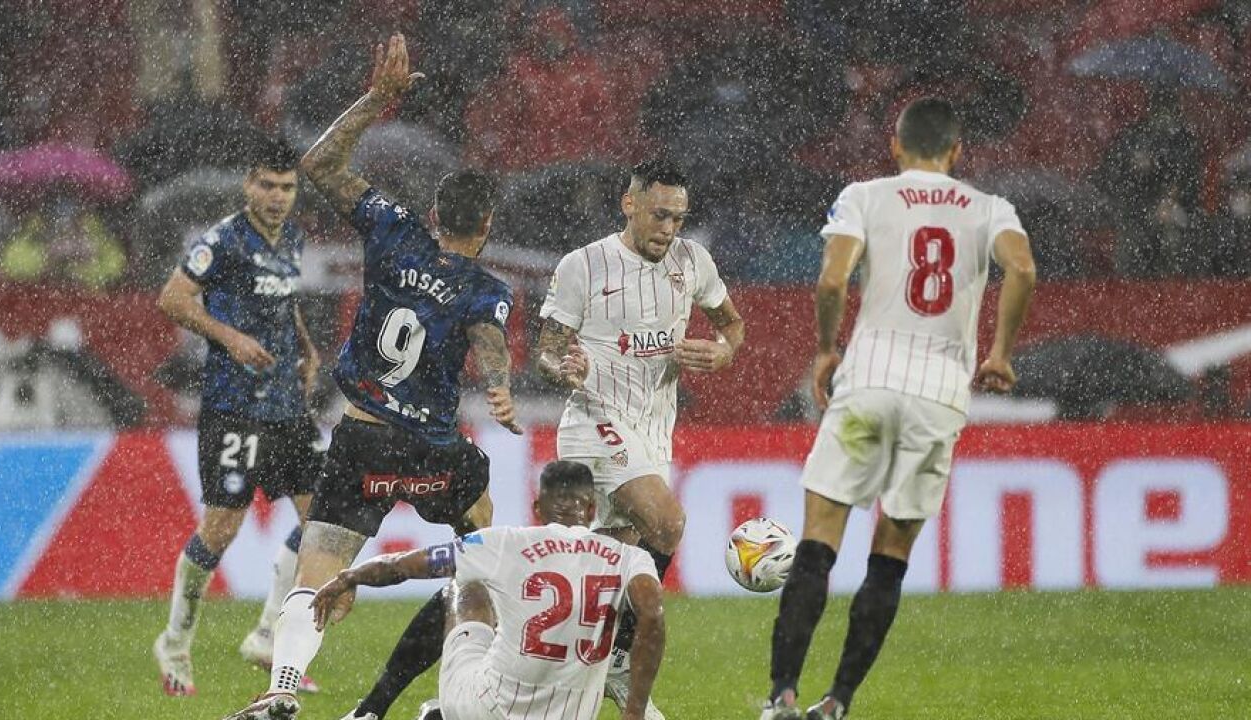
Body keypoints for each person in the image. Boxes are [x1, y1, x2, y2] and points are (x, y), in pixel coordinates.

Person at [344, 158, 743, 720]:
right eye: (659, 215)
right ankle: (617, 655)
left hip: (654, 433)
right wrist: (566, 367)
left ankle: (386, 704)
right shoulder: (585, 265)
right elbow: (548, 350)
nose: (668, 229)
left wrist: (724, 352)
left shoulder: (693, 262)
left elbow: (732, 325)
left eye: (678, 219)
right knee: (667, 523)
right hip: (595, 423)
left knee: (531, 578)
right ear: (629, 204)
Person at [222, 33, 521, 720]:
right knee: (483, 554)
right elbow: (489, 339)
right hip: (433, 449)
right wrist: (500, 385)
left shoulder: (394, 229)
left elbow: (319, 163)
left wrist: (377, 98)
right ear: (486, 224)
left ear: (436, 215)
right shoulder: (485, 287)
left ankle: (283, 687)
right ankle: (480, 686)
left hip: (362, 440)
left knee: (316, 575)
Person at [760, 97, 1037, 720]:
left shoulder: (865, 196)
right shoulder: (990, 207)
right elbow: (1021, 268)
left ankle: (782, 697)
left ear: (895, 145)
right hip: (939, 393)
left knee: (819, 542)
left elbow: (832, 280)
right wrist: (999, 352)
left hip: (868, 380)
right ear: (956, 151)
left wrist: (826, 350)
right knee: (889, 558)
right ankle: (838, 701)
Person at [152, 137, 324, 696]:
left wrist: (307, 348)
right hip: (235, 407)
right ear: (249, 184)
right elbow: (173, 298)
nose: (277, 196)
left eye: (287, 187)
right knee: (222, 529)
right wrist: (230, 338)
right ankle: (175, 641)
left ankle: (268, 636)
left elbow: (286, 300)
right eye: (267, 185)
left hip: (287, 405)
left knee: (321, 522)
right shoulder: (222, 241)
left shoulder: (293, 237)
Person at [312, 460, 666, 720]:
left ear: (538, 508)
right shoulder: (629, 559)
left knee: (466, 584)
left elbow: (402, 566)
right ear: (591, 510)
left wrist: (348, 578)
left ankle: (392, 711)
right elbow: (652, 615)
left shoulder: (504, 543)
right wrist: (634, 711)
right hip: (569, 714)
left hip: (487, 710)